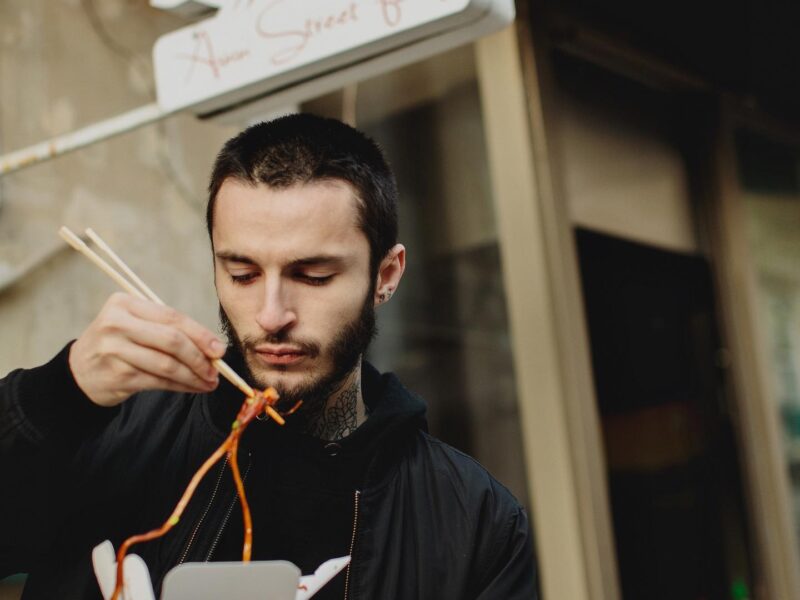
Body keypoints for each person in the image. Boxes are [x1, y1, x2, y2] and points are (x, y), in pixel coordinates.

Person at [0, 114, 538, 599]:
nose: (270, 314)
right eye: (242, 274)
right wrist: (55, 396)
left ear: (386, 276)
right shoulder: (111, 434)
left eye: (313, 276)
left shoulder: (474, 520)